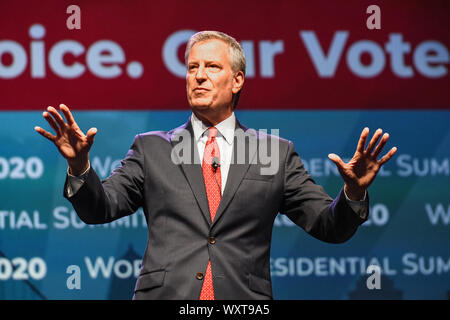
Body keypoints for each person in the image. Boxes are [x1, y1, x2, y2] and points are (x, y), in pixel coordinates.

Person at [35, 31, 397, 300]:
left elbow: (328, 226)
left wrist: (353, 191)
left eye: (211, 67)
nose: (199, 75)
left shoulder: (274, 152)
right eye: (192, 67)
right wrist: (81, 167)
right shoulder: (151, 148)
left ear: (237, 80)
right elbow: (101, 208)